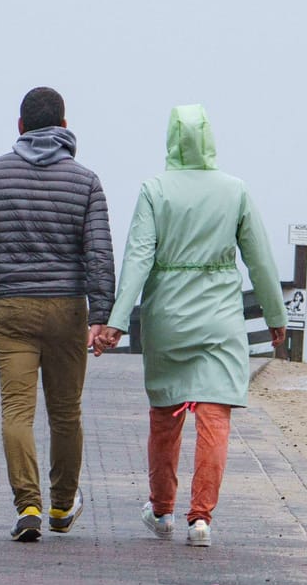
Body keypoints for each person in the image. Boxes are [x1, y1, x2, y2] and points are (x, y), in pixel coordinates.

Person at [94, 105, 285, 548]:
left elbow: (139, 257)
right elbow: (259, 259)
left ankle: (162, 511)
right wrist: (275, 316)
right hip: (220, 316)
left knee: (166, 414)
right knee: (214, 414)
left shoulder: (154, 190)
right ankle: (201, 519)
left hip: (169, 317)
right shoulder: (235, 190)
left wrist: (117, 322)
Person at [0, 86, 116, 542]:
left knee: (17, 411)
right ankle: (63, 506)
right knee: (66, 413)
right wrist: (99, 315)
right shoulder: (86, 182)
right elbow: (100, 256)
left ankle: (27, 504)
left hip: (10, 309)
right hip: (67, 310)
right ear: (65, 128)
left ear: (20, 127)